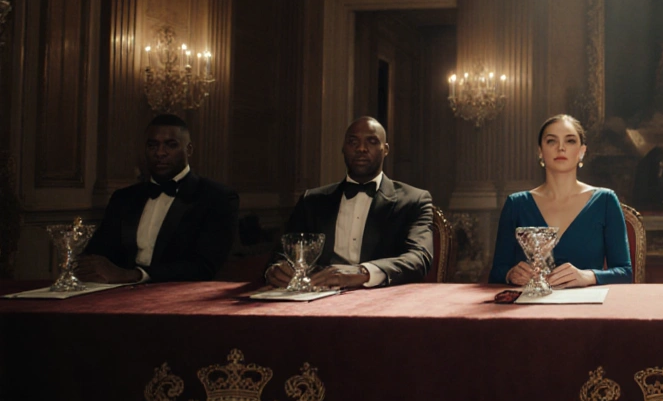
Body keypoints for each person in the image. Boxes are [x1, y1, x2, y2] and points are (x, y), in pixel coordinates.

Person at [265, 117, 433, 289]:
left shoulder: (414, 200)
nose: (361, 148)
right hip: (316, 298)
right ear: (343, 148)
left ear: (386, 150)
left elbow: (419, 258)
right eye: (353, 142)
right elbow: (282, 253)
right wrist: (275, 269)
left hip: (382, 298)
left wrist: (364, 273)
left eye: (372, 141)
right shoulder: (311, 200)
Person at [78, 114, 238, 282]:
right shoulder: (123, 198)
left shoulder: (217, 197)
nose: (160, 153)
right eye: (152, 145)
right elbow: (98, 253)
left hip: (180, 297)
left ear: (189, 149)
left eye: (171, 145)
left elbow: (204, 267)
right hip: (117, 294)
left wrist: (133, 275)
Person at [490, 114, 632, 287]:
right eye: (551, 141)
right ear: (540, 151)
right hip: (528, 309)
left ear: (582, 151)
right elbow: (497, 272)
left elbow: (624, 273)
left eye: (570, 141)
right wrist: (510, 274)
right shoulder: (516, 204)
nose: (561, 148)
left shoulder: (605, 201)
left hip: (586, 309)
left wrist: (588, 276)